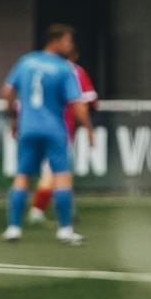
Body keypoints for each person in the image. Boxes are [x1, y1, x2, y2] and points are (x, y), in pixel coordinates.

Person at [1, 25, 92, 245]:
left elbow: (7, 92)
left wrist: (14, 119)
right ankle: (65, 230)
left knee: (22, 176)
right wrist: (88, 128)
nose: (70, 46)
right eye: (68, 41)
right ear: (56, 41)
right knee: (62, 176)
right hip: (54, 129)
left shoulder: (26, 61)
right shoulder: (64, 68)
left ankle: (13, 228)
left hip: (28, 127)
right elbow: (77, 104)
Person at [32, 48, 98, 223]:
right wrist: (89, 129)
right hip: (60, 128)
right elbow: (87, 102)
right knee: (58, 171)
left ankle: (61, 209)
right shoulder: (73, 71)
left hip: (33, 125)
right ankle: (42, 210)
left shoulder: (35, 67)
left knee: (45, 171)